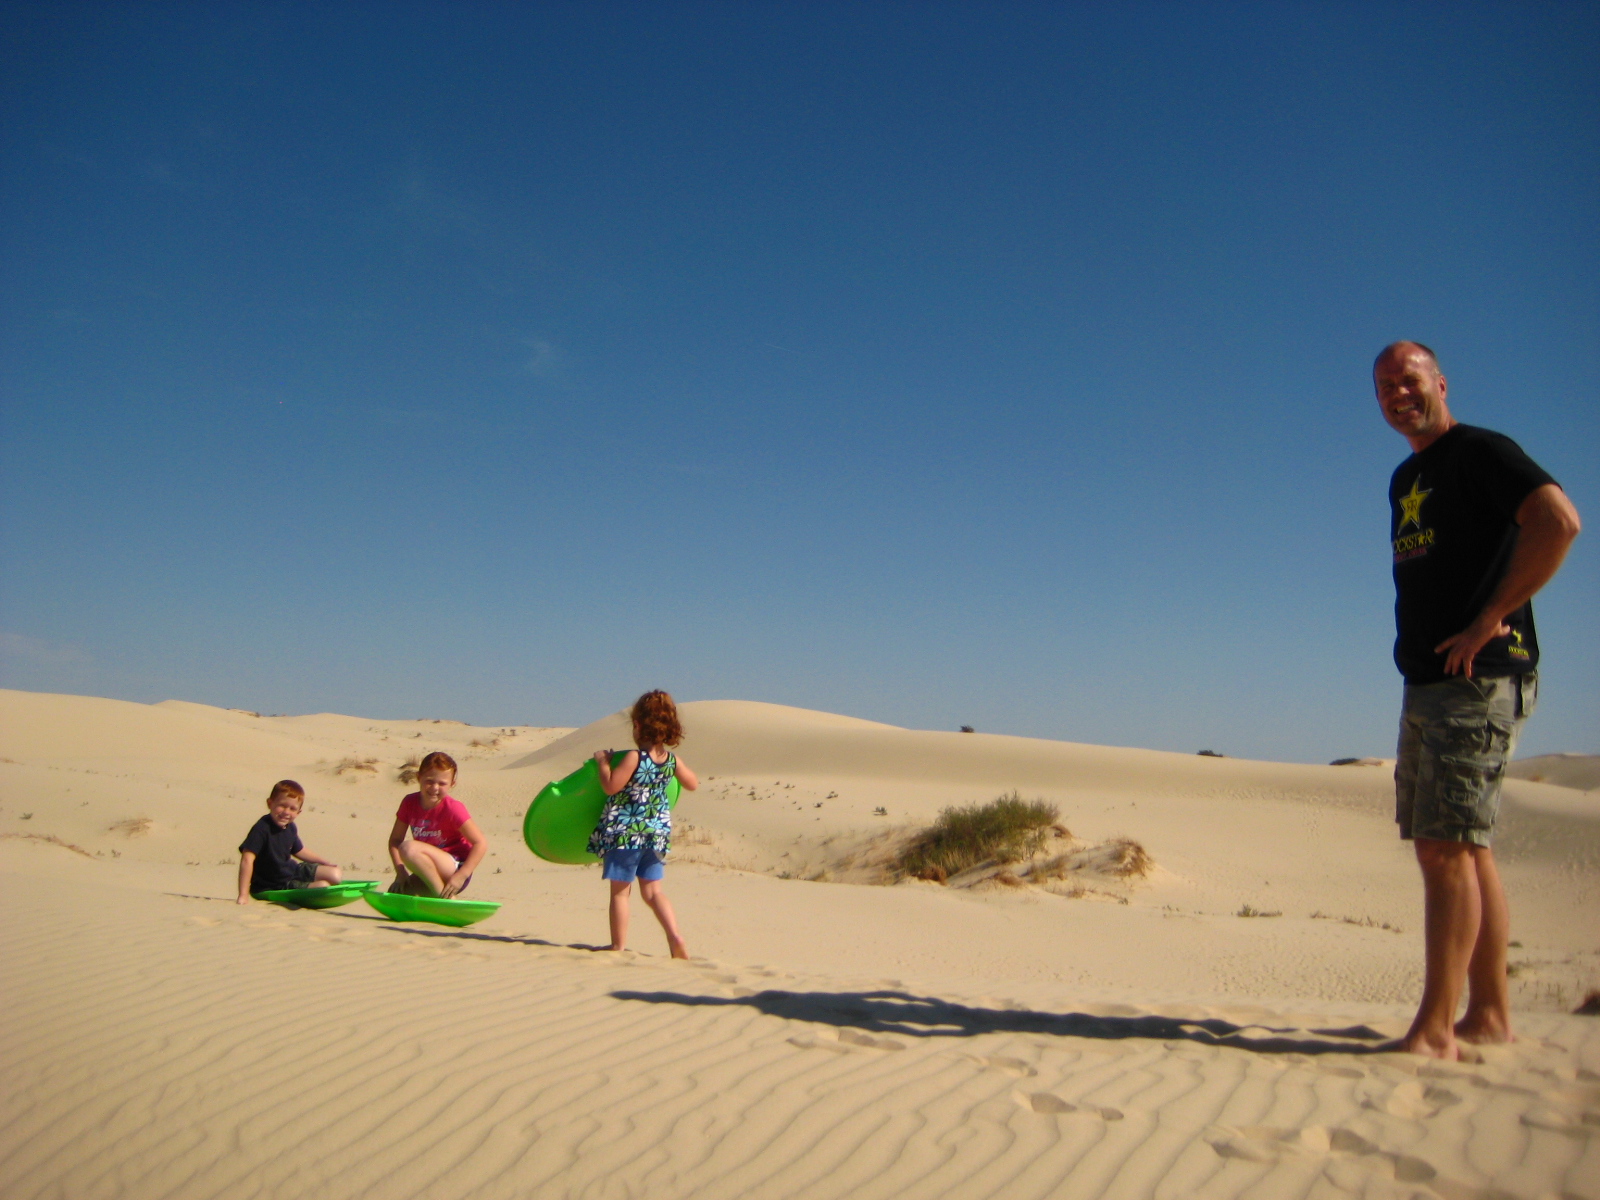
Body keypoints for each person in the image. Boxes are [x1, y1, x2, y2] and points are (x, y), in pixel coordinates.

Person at [1374, 341, 1580, 1058]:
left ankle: (1434, 1029)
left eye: (1409, 379)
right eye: (1385, 386)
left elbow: (1558, 521)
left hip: (1481, 675)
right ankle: (1489, 1013)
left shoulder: (1482, 452)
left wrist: (1491, 618)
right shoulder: (1407, 478)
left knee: (1445, 849)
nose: (1397, 393)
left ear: (1439, 382)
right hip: (1428, 682)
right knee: (1464, 848)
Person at [589, 690, 699, 957]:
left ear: (638, 725)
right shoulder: (672, 760)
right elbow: (693, 784)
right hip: (656, 834)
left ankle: (617, 946)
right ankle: (675, 937)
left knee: (620, 892)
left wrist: (603, 763)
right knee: (652, 892)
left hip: (626, 834)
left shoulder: (634, 758)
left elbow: (611, 787)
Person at [386, 751, 488, 897]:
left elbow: (480, 843)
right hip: (427, 868)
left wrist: (462, 876)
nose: (434, 788)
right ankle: (438, 898)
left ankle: (443, 897)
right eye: (429, 781)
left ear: (452, 784)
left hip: (455, 868)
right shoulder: (409, 803)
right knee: (398, 894)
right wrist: (400, 872)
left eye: (442, 784)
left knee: (409, 848)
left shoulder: (453, 808)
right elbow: (395, 840)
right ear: (419, 778)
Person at [237, 780, 343, 903]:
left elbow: (300, 850)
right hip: (274, 883)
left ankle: (307, 883)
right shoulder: (262, 828)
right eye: (282, 805)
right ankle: (307, 886)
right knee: (323, 887)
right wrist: (243, 895)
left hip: (292, 870)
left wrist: (324, 862)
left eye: (293, 809)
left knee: (335, 874)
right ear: (270, 803)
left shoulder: (290, 827)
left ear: (298, 812)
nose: (286, 812)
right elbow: (247, 860)